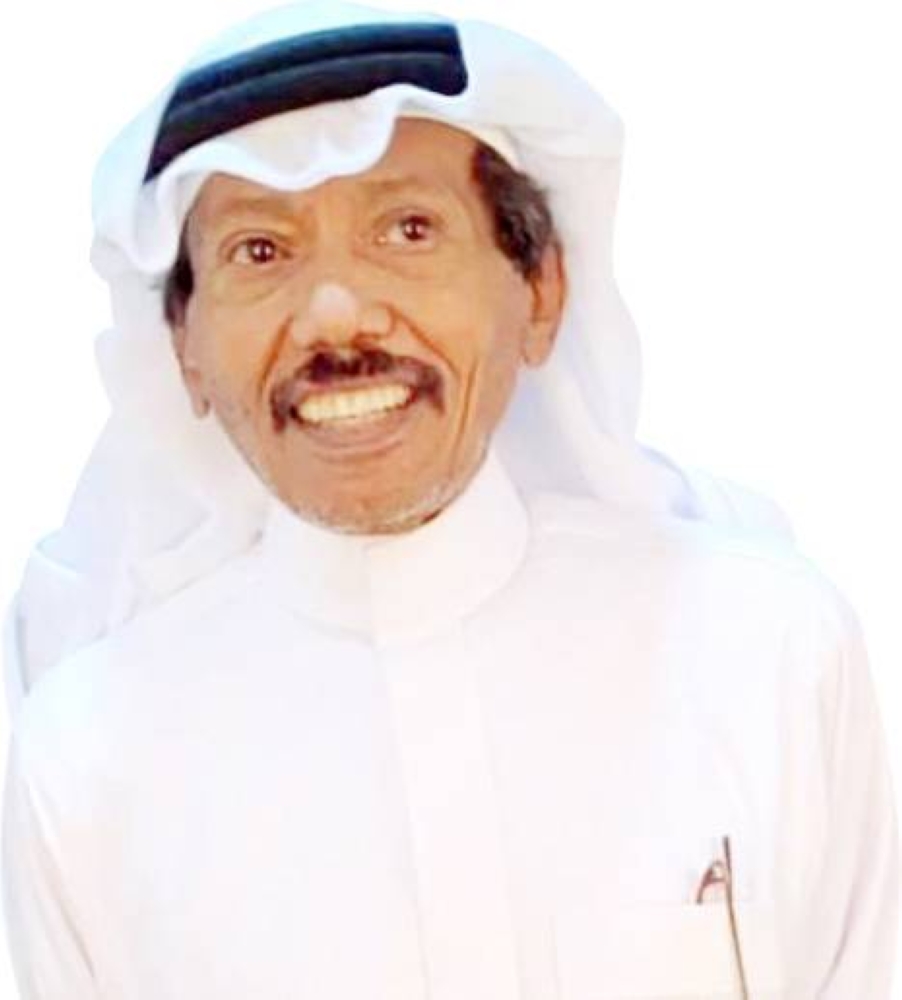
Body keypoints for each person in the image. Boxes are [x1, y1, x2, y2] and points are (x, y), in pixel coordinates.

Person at [1, 3, 898, 998]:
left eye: (407, 229)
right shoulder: (86, 759)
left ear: (540, 291)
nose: (335, 313)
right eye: (259, 251)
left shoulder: (762, 653)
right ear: (185, 349)